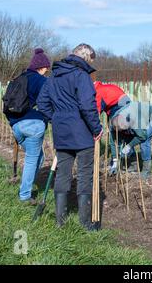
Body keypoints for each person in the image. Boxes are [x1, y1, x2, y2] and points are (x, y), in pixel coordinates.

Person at [37, 44, 103, 231]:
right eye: (91, 60)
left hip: (62, 132)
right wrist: (96, 128)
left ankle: (60, 221)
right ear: (86, 57)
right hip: (81, 132)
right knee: (84, 174)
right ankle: (84, 223)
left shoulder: (53, 76)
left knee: (63, 173)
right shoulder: (81, 75)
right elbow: (87, 105)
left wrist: (56, 118)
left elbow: (42, 103)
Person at [6, 48, 50, 205]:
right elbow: (50, 102)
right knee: (32, 159)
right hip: (33, 126)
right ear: (43, 67)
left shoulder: (18, 78)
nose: (47, 72)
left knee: (39, 157)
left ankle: (26, 185)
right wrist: (49, 118)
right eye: (46, 69)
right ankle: (24, 196)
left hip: (16, 125)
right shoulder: (41, 81)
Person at [111, 101, 152, 180]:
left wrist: (129, 146)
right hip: (137, 116)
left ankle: (146, 170)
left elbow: (142, 136)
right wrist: (115, 162)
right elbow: (114, 142)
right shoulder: (113, 122)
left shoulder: (134, 119)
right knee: (127, 137)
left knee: (144, 141)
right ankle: (134, 164)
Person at [93, 81, 131, 176]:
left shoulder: (97, 92)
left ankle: (116, 162)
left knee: (114, 137)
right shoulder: (104, 87)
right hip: (126, 106)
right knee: (126, 136)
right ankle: (126, 159)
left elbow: (95, 114)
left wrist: (95, 129)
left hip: (120, 108)